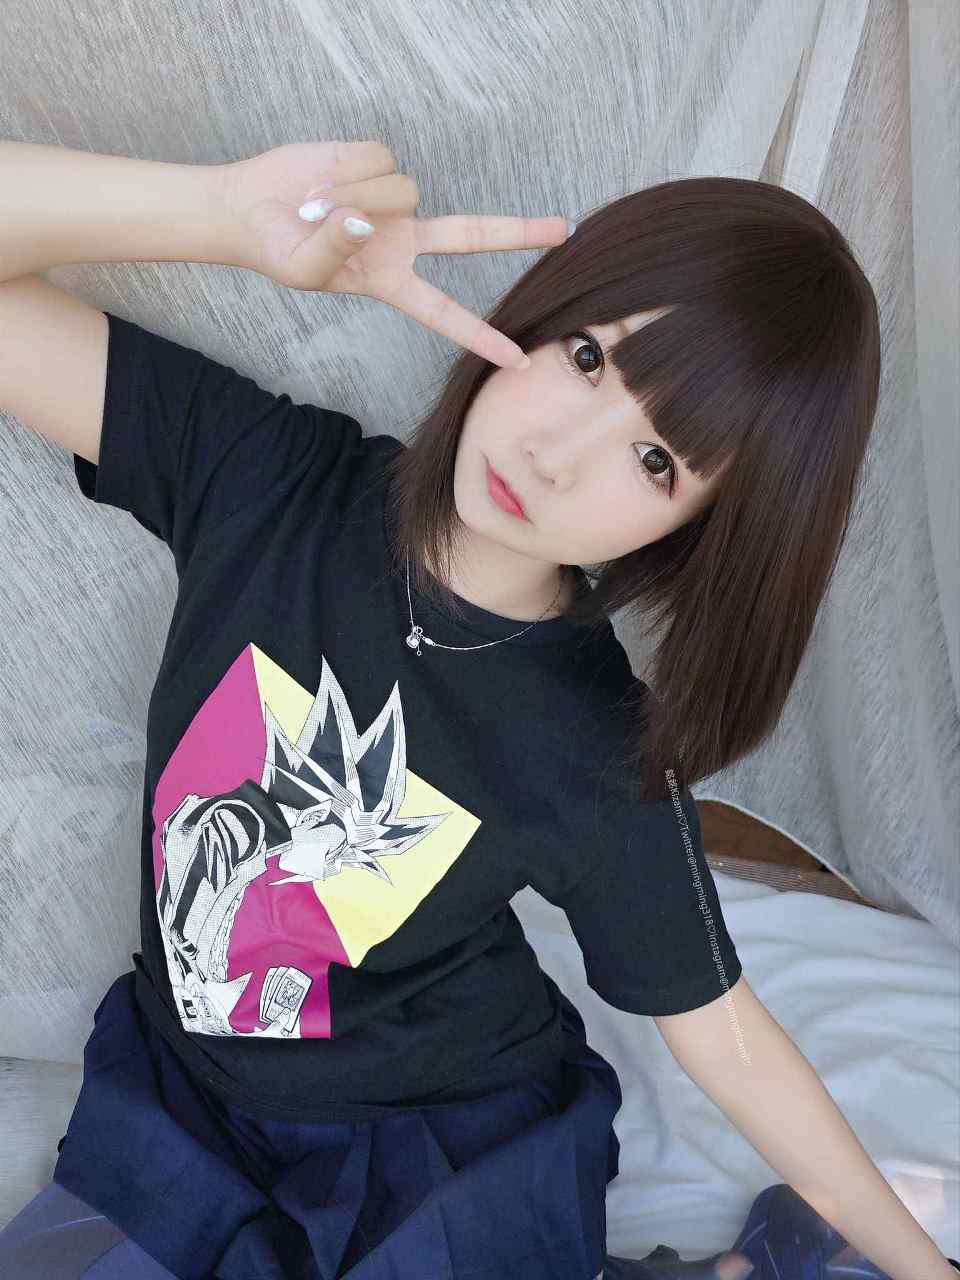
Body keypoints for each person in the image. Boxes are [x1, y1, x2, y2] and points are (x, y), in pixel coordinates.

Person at [0, 139, 954, 1280]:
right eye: (589, 356)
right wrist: (217, 213)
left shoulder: (594, 743)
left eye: (656, 459)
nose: (556, 456)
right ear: (544, 309)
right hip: (185, 1106)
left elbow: (723, 1031)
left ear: (696, 531)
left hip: (433, 1144)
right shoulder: (267, 478)